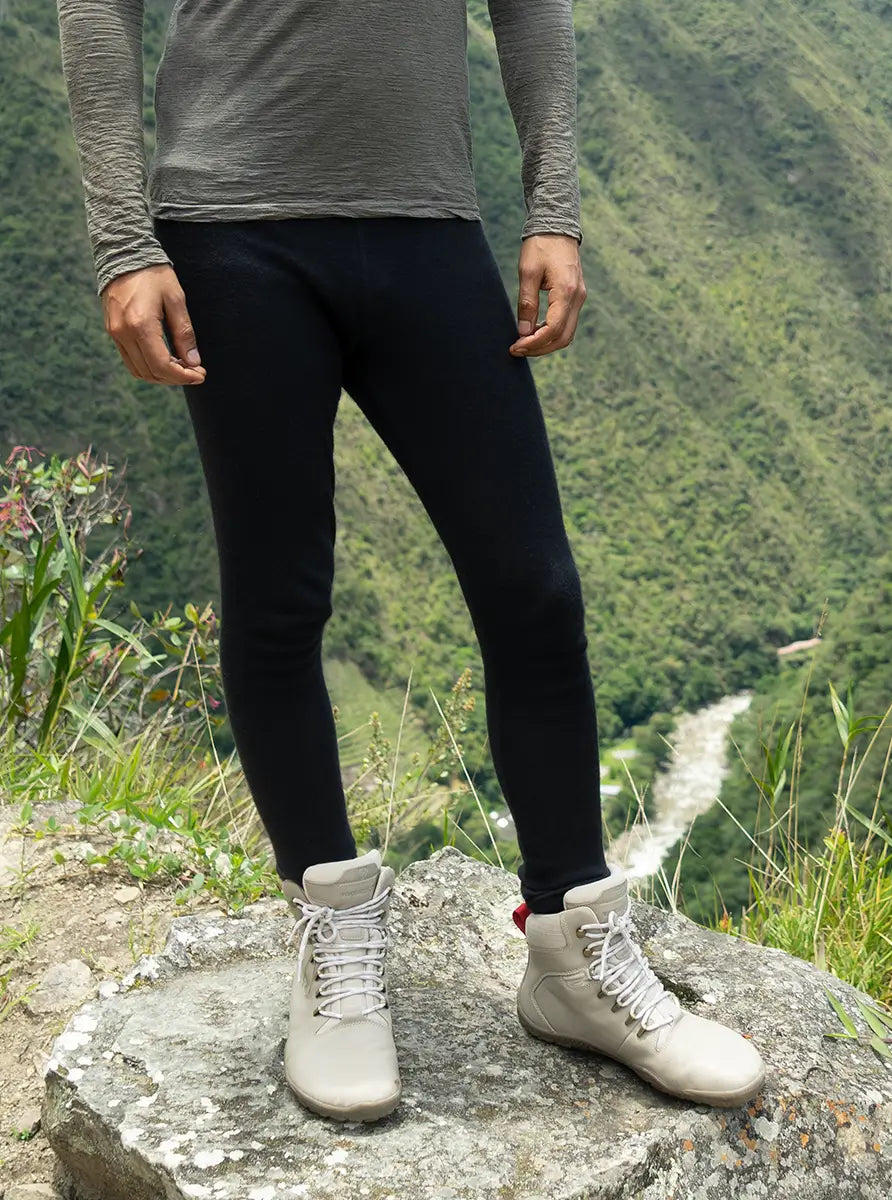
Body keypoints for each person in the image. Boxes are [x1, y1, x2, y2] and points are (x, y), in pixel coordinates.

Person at [55, 0, 766, 1123]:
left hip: (428, 226)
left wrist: (557, 211)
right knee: (282, 595)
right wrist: (123, 243)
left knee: (534, 590)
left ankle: (574, 955)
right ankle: (333, 939)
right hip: (230, 230)